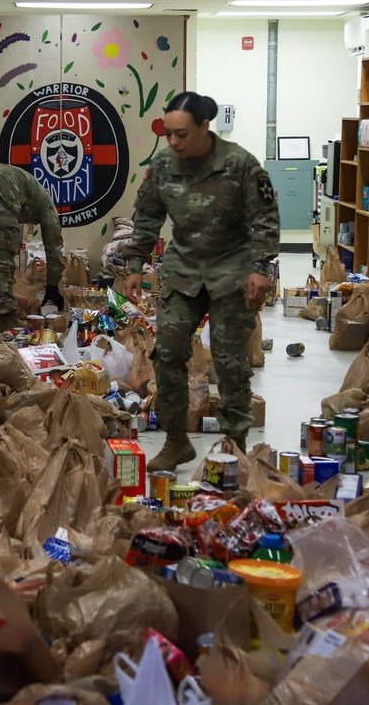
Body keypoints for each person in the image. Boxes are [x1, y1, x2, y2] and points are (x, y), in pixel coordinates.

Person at [120, 92, 280, 471]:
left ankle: (235, 445)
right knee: (169, 355)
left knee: (229, 363)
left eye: (182, 134)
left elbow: (266, 218)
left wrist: (260, 267)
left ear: (205, 126)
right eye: (168, 134)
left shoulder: (240, 163)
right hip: (184, 272)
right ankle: (176, 442)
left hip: (233, 273)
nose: (173, 142)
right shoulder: (161, 166)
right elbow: (146, 218)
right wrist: (134, 265)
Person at [0, 163, 65, 331]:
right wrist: (53, 287)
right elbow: (54, 247)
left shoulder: (30, 190)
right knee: (1, 260)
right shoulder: (46, 205)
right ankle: (7, 320)